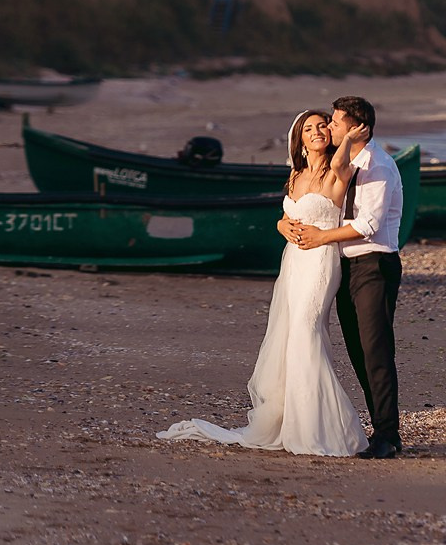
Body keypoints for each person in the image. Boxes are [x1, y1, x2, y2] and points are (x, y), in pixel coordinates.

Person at [156, 110, 369, 457]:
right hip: (293, 263)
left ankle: (323, 428)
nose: (317, 133)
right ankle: (292, 423)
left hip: (319, 260)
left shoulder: (337, 170)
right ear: (298, 138)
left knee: (306, 331)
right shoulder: (297, 173)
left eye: (322, 127)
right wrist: (280, 226)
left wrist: (346, 138)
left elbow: (344, 162)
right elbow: (287, 216)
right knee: (289, 336)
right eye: (309, 129)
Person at [317, 96, 404, 459]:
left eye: (336, 123)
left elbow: (368, 225)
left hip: (375, 265)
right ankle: (379, 427)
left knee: (376, 350)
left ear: (355, 128)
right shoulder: (347, 163)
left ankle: (389, 434)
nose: (329, 128)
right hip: (348, 267)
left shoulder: (379, 166)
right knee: (356, 350)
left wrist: (321, 238)